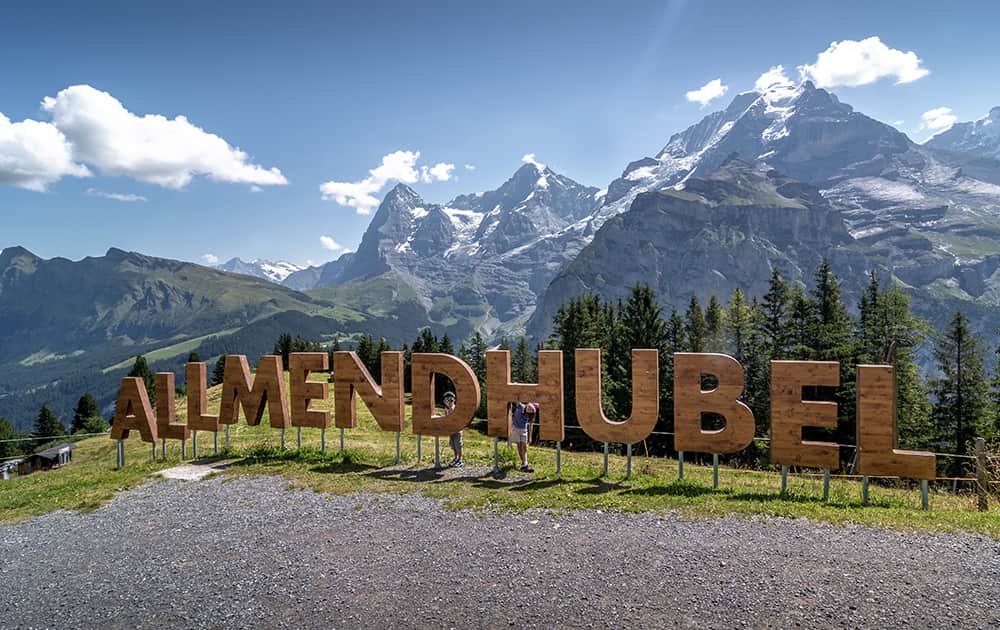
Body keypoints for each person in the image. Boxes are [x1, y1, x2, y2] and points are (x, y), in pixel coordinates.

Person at [511, 401, 537, 472]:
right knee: (519, 446)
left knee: (524, 447)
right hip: (515, 429)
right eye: (530, 407)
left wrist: (530, 437)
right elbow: (517, 399)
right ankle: (524, 464)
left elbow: (531, 426)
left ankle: (525, 464)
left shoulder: (529, 415)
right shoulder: (521, 406)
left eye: (531, 410)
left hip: (523, 430)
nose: (529, 408)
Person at [444, 391, 463, 467]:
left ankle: (460, 459)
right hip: (451, 430)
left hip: (457, 430)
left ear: (453, 400)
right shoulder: (446, 409)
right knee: (453, 446)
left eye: (451, 400)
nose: (449, 402)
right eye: (447, 400)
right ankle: (455, 458)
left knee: (458, 445)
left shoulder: (455, 408)